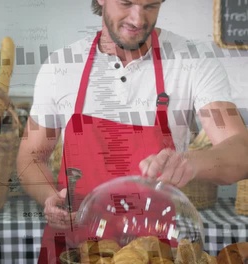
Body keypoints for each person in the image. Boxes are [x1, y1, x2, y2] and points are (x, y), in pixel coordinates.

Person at [16, 0, 248, 263]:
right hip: (75, 251)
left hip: (154, 253)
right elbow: (30, 157)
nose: (138, 19)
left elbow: (241, 151)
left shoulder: (193, 61)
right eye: (127, 3)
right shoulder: (60, 67)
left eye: (150, 6)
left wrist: (190, 162)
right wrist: (49, 196)